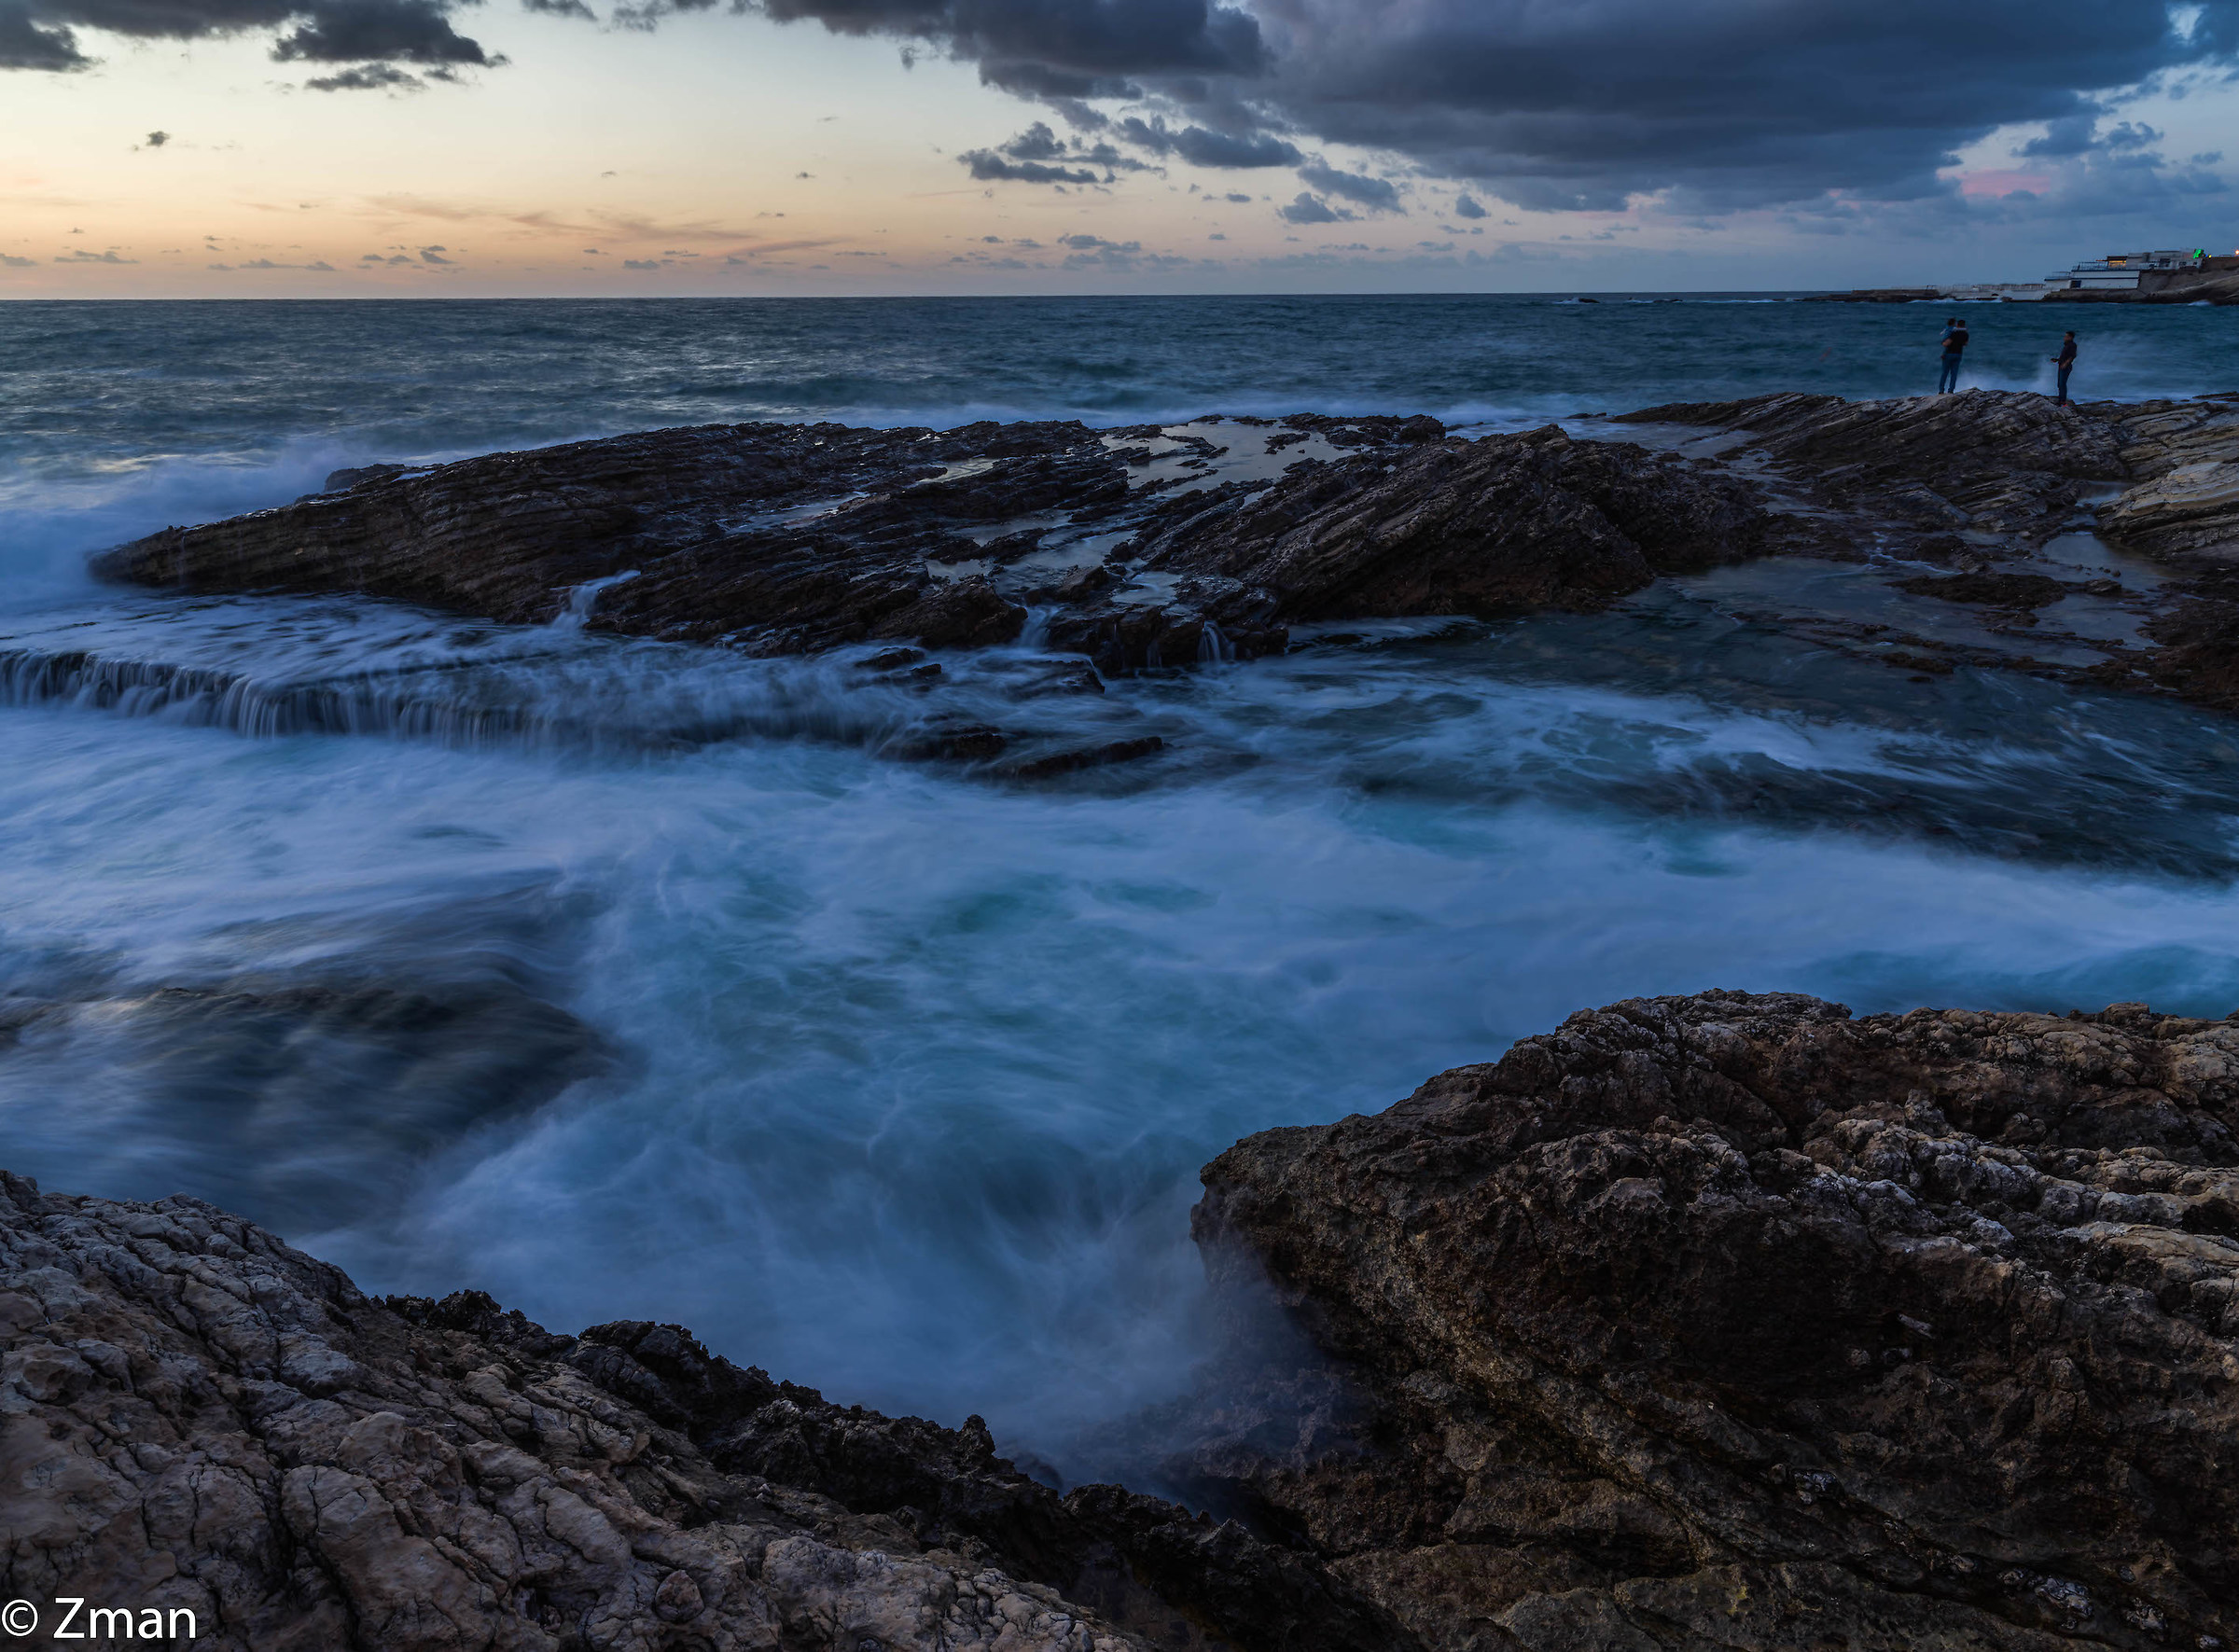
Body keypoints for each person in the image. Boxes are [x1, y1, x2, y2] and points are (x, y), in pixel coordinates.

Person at [1938, 317, 1969, 394]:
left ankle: (1941, 390)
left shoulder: (1953, 333)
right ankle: (1951, 390)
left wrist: (1942, 342)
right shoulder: (1966, 334)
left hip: (1949, 354)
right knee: (1954, 374)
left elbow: (1946, 343)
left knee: (1944, 373)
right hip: (1958, 354)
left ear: (1957, 325)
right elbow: (1965, 344)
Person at [2051, 331, 2078, 406]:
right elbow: (2065, 357)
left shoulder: (2072, 345)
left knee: (2062, 384)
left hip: (2066, 367)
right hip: (2061, 365)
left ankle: (2062, 402)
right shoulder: (2067, 345)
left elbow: (2072, 356)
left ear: (2070, 337)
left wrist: (2065, 364)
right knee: (2060, 384)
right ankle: (2061, 400)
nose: (2064, 338)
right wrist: (2057, 360)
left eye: (2066, 336)